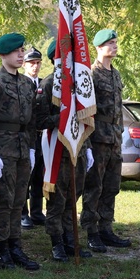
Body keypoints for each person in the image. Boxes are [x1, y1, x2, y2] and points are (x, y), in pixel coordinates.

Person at [0, 33, 40, 270]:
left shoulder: (26, 83)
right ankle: (1, 249)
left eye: (22, 50)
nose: (20, 54)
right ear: (3, 54)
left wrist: (33, 148)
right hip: (2, 147)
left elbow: (32, 120)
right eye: (16, 51)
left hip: (23, 147)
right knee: (4, 200)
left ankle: (16, 246)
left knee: (19, 199)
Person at [35, 41, 93, 261]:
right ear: (56, 59)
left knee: (72, 198)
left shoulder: (79, 84)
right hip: (57, 149)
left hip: (77, 150)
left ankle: (70, 240)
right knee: (57, 200)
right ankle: (56, 242)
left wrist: (88, 148)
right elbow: (40, 121)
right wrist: (63, 118)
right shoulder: (49, 84)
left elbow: (85, 117)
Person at [80, 29, 131, 251]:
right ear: (99, 47)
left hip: (114, 138)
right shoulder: (91, 74)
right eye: (110, 43)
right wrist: (87, 144)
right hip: (98, 138)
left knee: (111, 186)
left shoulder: (116, 74)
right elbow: (86, 111)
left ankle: (106, 229)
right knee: (94, 186)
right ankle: (91, 231)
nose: (115, 46)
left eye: (116, 42)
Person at [20, 47, 46, 230]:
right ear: (24, 64)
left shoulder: (43, 84)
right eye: (31, 63)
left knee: (39, 175)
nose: (35, 66)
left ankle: (37, 212)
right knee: (25, 176)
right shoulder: (21, 83)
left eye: (37, 63)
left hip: (42, 136)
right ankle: (23, 213)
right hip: (25, 136)